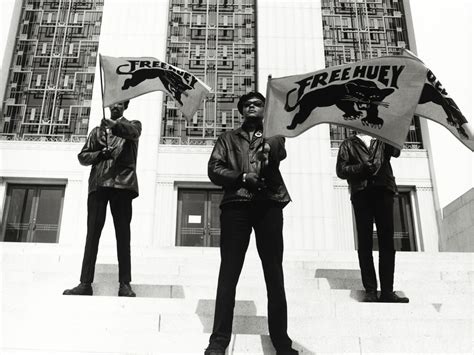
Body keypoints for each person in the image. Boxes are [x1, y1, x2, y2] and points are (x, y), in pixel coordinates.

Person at [205, 92, 298, 355]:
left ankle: (281, 341)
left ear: (264, 109)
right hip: (236, 205)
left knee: (274, 273)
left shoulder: (275, 135)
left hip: (268, 204)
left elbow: (279, 151)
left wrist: (269, 142)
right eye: (247, 105)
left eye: (257, 104)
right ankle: (218, 341)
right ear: (241, 111)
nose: (252, 108)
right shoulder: (227, 138)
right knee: (229, 273)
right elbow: (214, 169)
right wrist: (243, 176)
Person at [63, 100, 141, 297]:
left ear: (125, 106)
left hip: (122, 185)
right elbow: (83, 156)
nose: (115, 107)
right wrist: (100, 154)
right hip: (99, 185)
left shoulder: (133, 125)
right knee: (92, 235)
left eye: (120, 104)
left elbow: (133, 133)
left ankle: (125, 283)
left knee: (123, 235)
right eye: (113, 104)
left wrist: (114, 126)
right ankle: (85, 283)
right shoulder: (96, 132)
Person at [336, 131, 409, 303]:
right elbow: (341, 170)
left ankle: (387, 291)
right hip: (361, 193)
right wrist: (361, 169)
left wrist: (390, 131)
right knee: (365, 242)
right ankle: (370, 290)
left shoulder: (383, 139)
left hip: (383, 190)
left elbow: (396, 152)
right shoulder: (348, 143)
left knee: (387, 242)